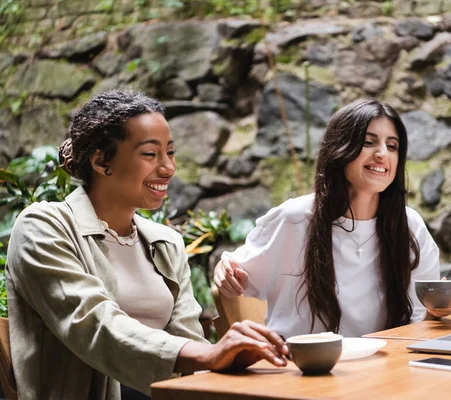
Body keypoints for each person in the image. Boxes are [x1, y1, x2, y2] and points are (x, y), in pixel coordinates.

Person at [6, 90, 287, 400]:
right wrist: (208, 354)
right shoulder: (43, 227)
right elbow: (92, 324)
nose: (168, 168)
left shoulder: (165, 242)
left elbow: (188, 343)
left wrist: (230, 357)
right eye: (150, 154)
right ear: (101, 161)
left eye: (171, 152)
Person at [214, 99, 451, 339]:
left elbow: (417, 325)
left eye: (392, 146)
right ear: (340, 150)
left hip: (384, 369)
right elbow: (233, 280)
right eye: (368, 142)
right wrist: (224, 272)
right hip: (302, 369)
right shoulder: (296, 219)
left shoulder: (409, 226)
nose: (382, 154)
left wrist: (437, 311)